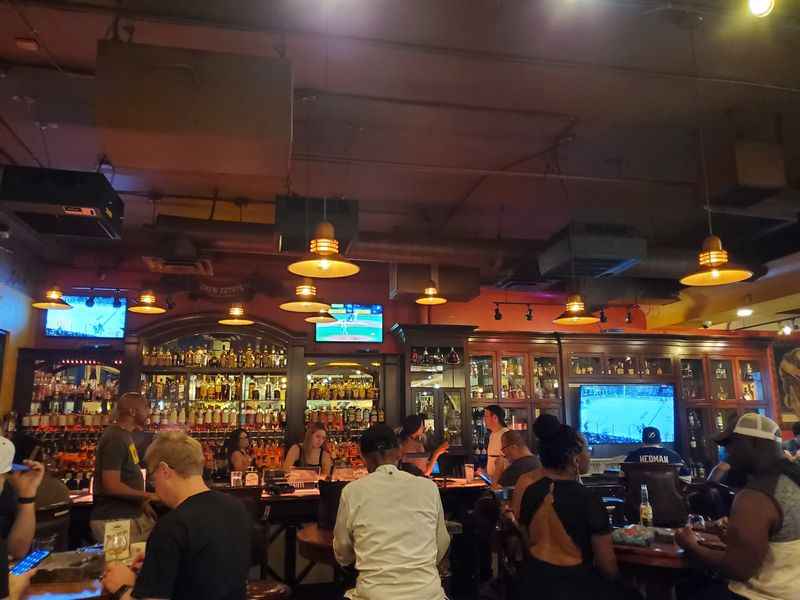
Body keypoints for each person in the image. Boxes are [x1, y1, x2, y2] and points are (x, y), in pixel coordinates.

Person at [102, 431, 252, 600]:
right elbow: (207, 574)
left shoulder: (172, 526)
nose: (154, 487)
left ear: (164, 471)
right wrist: (161, 560)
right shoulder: (236, 507)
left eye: (153, 477)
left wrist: (121, 588)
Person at [676, 413, 800, 600]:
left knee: (686, 588)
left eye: (732, 444)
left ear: (754, 443)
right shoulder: (793, 477)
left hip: (761, 595)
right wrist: (735, 535)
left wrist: (692, 545)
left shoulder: (755, 496)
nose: (727, 452)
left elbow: (738, 569)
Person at [516, 415, 636, 600]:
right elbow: (608, 567)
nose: (589, 454)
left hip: (532, 586)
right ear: (574, 458)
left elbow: (526, 540)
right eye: (587, 450)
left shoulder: (529, 491)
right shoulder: (588, 499)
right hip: (576, 588)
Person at [333, 424, 450, 600]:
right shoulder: (428, 488)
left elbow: (342, 554)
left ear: (364, 458)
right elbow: (441, 543)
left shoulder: (352, 492)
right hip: (428, 595)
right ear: (398, 452)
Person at [90, 392, 158, 544]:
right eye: (145, 407)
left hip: (125, 517)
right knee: (123, 566)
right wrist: (147, 495)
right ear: (133, 412)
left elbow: (127, 476)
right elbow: (111, 485)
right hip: (115, 520)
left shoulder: (124, 435)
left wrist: (141, 504)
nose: (148, 412)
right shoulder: (115, 438)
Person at [0, 437, 46, 600]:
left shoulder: (6, 493)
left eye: (4, 476)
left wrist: (27, 495)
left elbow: (16, 550)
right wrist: (13, 591)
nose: (2, 483)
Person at [624, 426, 692, 482]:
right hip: (668, 497)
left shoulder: (631, 457)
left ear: (643, 439)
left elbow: (623, 480)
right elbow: (687, 479)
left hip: (638, 497)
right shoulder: (674, 456)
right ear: (660, 439)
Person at [484, 405, 510, 483]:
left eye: (486, 416)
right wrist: (484, 472)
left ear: (495, 417)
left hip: (501, 482)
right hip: (491, 480)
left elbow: (508, 460)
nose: (484, 419)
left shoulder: (505, 434)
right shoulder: (492, 434)